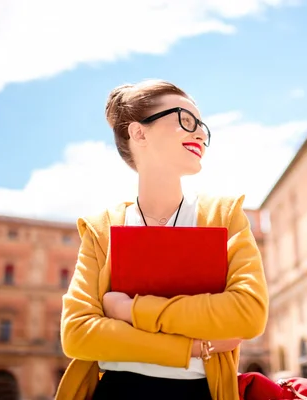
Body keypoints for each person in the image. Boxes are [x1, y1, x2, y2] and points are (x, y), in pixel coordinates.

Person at [55, 79, 269, 400]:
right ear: (139, 133)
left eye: (202, 126)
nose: (200, 134)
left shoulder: (225, 215)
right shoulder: (102, 229)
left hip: (201, 393)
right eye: (185, 120)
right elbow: (78, 335)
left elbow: (248, 314)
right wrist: (195, 347)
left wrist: (130, 311)